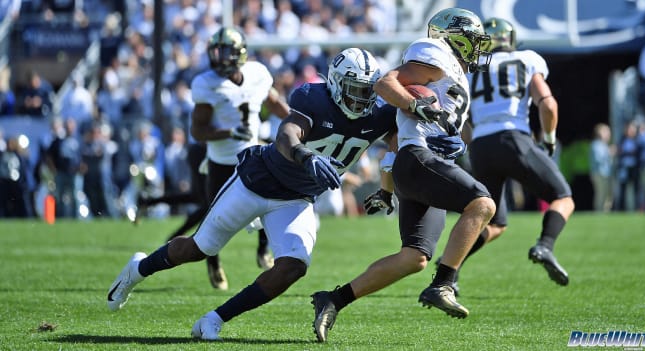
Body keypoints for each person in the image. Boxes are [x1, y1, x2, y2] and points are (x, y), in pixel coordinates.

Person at [107, 47, 424, 341]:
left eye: (368, 91)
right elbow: (286, 133)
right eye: (355, 90)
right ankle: (139, 268)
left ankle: (214, 319)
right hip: (257, 181)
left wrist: (388, 188)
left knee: (294, 266)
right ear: (337, 84)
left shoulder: (381, 114)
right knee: (199, 248)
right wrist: (305, 155)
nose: (362, 99)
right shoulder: (313, 98)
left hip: (297, 198)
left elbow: (397, 151)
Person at [310, 8, 495, 342]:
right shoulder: (435, 52)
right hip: (420, 158)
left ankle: (333, 300)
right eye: (472, 39)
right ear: (452, 36)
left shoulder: (454, 74)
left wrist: (386, 187)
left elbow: (395, 138)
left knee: (414, 258)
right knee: (482, 204)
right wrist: (418, 107)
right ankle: (444, 284)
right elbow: (387, 84)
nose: (477, 46)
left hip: (420, 164)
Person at [138, 26, 289, 289]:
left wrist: (296, 121)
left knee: (269, 200)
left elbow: (274, 102)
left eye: (225, 52)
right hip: (221, 160)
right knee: (213, 217)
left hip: (251, 156)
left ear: (240, 53)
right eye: (216, 52)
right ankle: (213, 263)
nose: (219, 58)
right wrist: (228, 132)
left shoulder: (257, 74)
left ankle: (264, 249)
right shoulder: (207, 84)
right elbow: (197, 130)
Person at [446, 18, 574, 292]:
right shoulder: (527, 59)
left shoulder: (470, 70)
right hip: (514, 138)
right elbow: (548, 104)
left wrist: (476, 146)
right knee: (562, 197)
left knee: (494, 222)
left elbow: (462, 122)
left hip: (481, 147)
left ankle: (448, 270)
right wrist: (549, 139)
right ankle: (545, 246)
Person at [589, 123, 614, 212]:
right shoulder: (596, 144)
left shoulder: (605, 145)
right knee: (601, 194)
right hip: (599, 174)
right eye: (606, 131)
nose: (608, 134)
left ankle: (605, 212)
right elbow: (598, 159)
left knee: (607, 195)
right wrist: (609, 153)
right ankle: (598, 212)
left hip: (606, 173)